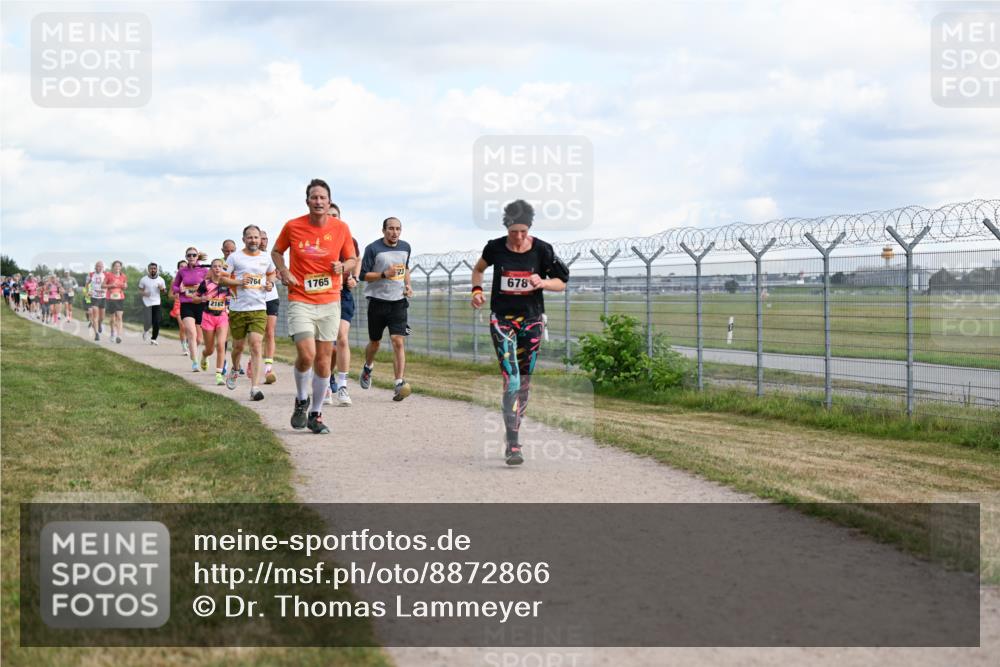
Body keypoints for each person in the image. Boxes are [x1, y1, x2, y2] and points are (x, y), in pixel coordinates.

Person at [469, 200, 569, 466]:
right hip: (502, 320)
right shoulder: (494, 247)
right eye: (514, 231)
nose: (519, 236)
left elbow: (562, 283)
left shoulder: (543, 250)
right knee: (511, 379)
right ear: (507, 228)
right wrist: (476, 292)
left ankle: (512, 430)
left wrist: (542, 282)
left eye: (524, 231)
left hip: (532, 322)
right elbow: (478, 269)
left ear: (530, 229)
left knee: (524, 383)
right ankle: (513, 444)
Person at [271, 178, 356, 434]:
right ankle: (301, 399)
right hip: (300, 298)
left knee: (323, 360)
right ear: (307, 201)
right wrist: (284, 270)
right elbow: (276, 252)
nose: (318, 201)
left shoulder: (341, 228)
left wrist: (343, 266)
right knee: (307, 354)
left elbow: (352, 258)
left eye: (323, 197)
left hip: (330, 300)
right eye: (314, 197)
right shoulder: (293, 226)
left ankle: (316, 414)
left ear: (329, 202)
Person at [359, 216, 413, 401]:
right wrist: (384, 274)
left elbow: (405, 268)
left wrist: (408, 285)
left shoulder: (405, 247)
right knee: (375, 342)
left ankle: (399, 383)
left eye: (398, 229)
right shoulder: (373, 248)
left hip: (398, 302)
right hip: (377, 302)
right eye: (391, 228)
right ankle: (368, 367)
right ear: (383, 230)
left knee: (398, 340)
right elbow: (363, 275)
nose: (394, 232)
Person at [221, 226, 275, 401]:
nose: (253, 240)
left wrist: (270, 283)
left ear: (260, 239)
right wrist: (238, 282)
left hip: (259, 308)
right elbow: (222, 278)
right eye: (250, 237)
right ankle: (235, 369)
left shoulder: (266, 257)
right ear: (244, 239)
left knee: (256, 344)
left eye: (256, 237)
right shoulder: (234, 257)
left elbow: (271, 273)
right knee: (237, 347)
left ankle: (255, 388)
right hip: (238, 309)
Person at [325, 203, 360, 406]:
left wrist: (354, 277)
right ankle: (325, 381)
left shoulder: (349, 239)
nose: (332, 218)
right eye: (328, 215)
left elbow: (356, 259)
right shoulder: (316, 240)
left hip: (343, 294)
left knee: (342, 338)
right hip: (322, 295)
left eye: (335, 215)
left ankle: (343, 385)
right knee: (328, 346)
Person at [192, 258, 231, 385]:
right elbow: (194, 299)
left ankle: (219, 375)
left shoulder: (227, 283)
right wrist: (203, 298)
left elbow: (231, 297)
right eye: (215, 266)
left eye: (220, 266)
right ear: (211, 269)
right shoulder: (205, 283)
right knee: (210, 349)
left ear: (222, 268)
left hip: (222, 317)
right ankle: (204, 356)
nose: (217, 268)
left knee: (221, 344)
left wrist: (229, 302)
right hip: (208, 317)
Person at [172, 248, 209, 371]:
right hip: (186, 304)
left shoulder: (204, 270)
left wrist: (202, 287)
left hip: (201, 305)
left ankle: (196, 352)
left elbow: (211, 286)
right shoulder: (182, 271)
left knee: (199, 339)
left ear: (197, 256)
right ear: (186, 257)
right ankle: (195, 362)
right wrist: (180, 290)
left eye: (194, 255)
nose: (191, 257)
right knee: (191, 333)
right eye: (189, 255)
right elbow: (174, 286)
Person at [258, 229, 280, 385]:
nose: (263, 241)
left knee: (270, 332)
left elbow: (278, 274)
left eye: (265, 238)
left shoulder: (272, 257)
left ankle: (268, 368)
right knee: (257, 335)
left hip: (271, 298)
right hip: (254, 299)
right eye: (261, 238)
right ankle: (253, 360)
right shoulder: (248, 257)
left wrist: (273, 281)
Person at [138, 262, 166, 345]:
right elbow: (140, 291)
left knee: (156, 321)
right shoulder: (143, 279)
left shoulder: (161, 280)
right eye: (151, 268)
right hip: (146, 302)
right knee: (148, 321)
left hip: (156, 302)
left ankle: (153, 339)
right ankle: (146, 330)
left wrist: (162, 289)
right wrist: (144, 293)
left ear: (156, 269)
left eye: (154, 268)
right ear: (148, 269)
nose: (153, 270)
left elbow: (165, 292)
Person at [104, 260, 128, 343]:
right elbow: (103, 285)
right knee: (112, 318)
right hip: (110, 298)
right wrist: (111, 285)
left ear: (121, 267)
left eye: (119, 266)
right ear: (113, 267)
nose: (117, 267)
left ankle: (119, 336)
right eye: (116, 266)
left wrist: (125, 286)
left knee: (119, 316)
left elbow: (125, 285)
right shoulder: (108, 275)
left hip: (120, 298)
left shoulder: (123, 276)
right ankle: (112, 333)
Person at [86, 263, 106, 340]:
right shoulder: (91, 275)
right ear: (95, 267)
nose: (99, 268)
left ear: (103, 268)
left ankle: (100, 323)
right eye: (98, 266)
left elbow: (108, 283)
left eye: (101, 266)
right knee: (95, 317)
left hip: (103, 297)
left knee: (102, 317)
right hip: (94, 297)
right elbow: (87, 284)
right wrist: (88, 291)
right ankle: (96, 334)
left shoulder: (105, 275)